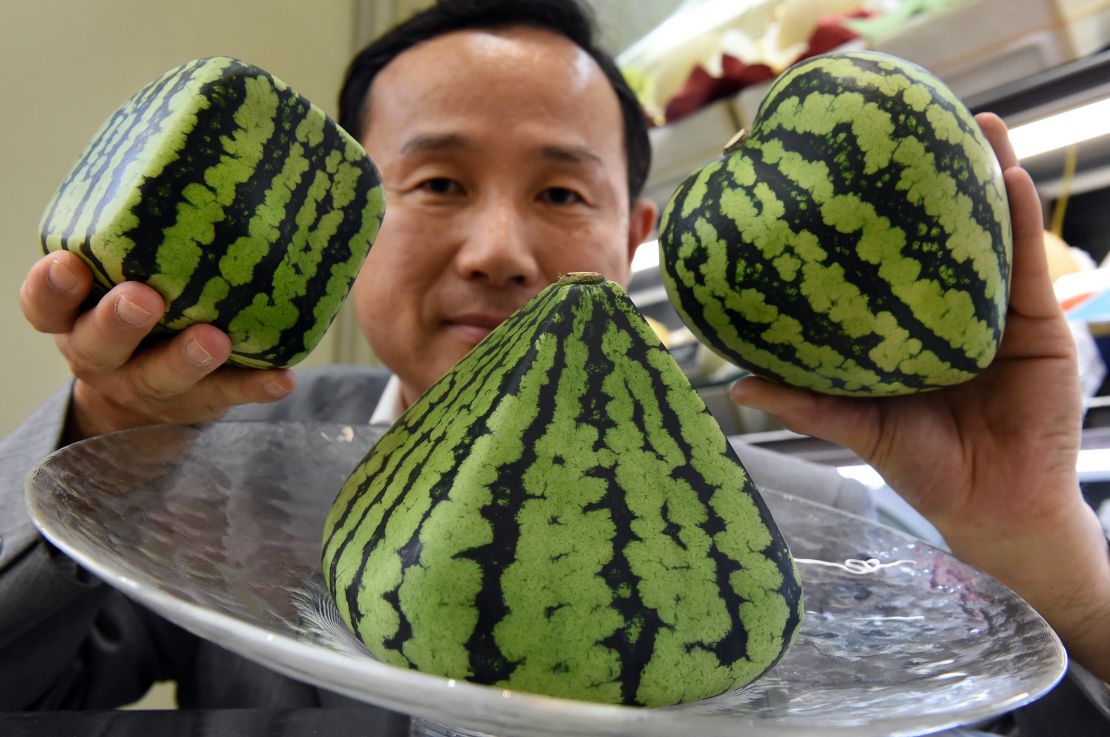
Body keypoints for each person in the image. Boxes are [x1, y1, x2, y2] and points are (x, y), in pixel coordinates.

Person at [2, 0, 1106, 728]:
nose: (498, 251)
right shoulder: (213, 474)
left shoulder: (826, 540)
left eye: (563, 192)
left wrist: (1030, 533)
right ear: (347, 229)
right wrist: (103, 429)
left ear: (636, 234)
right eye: (434, 184)